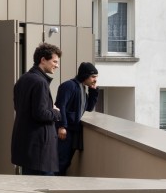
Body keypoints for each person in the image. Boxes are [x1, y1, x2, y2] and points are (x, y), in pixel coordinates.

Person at [10, 43, 62, 175]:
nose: (57, 65)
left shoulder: (23, 79)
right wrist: (56, 112)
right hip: (40, 150)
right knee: (45, 190)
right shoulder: (40, 82)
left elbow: (19, 108)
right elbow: (40, 113)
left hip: (27, 147)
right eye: (54, 61)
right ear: (43, 60)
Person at [54, 62, 99, 175]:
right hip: (65, 131)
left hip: (73, 131)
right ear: (85, 75)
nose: (95, 80)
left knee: (65, 162)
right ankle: (51, 184)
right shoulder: (69, 86)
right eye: (93, 77)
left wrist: (93, 91)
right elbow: (60, 106)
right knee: (60, 161)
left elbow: (88, 108)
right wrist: (62, 126)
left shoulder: (82, 89)